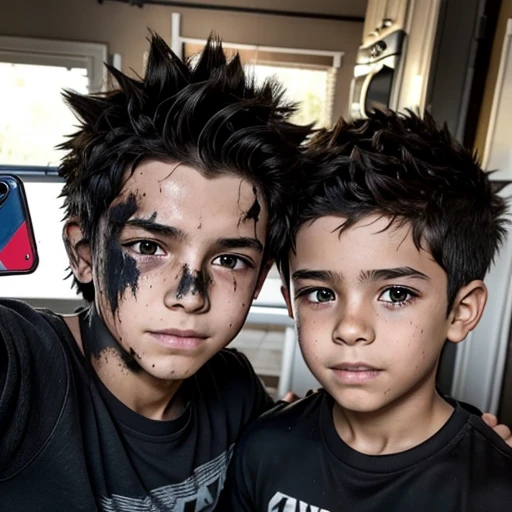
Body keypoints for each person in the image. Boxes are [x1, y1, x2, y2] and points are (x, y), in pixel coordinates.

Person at [0, 33, 311, 511]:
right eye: (148, 246)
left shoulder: (234, 389)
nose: (190, 296)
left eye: (230, 260)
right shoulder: (26, 369)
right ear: (84, 252)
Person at [224, 109, 512, 511]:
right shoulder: (264, 446)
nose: (351, 328)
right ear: (292, 304)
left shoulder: (496, 489)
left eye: (395, 294)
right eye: (321, 294)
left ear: (461, 311)